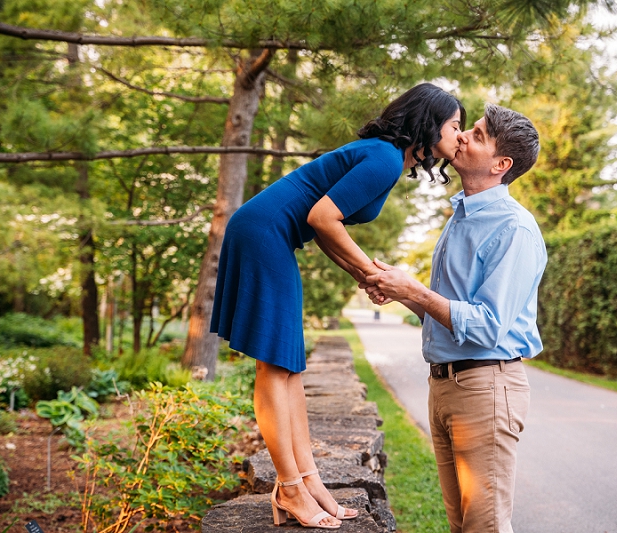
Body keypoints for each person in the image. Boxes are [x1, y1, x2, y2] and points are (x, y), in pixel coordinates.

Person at [210, 83, 466, 529]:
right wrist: (372, 271)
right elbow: (321, 219)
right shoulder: (384, 157)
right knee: (275, 366)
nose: (461, 136)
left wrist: (365, 276)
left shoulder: (386, 157)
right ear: (430, 122)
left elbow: (325, 224)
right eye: (456, 125)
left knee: (290, 366)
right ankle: (289, 488)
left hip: (268, 235)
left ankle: (309, 481)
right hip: (263, 235)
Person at [363, 103, 544, 533]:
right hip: (444, 385)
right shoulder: (462, 216)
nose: (461, 136)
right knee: (460, 525)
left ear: (502, 164)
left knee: (485, 527)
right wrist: (399, 290)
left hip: (486, 387)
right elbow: (446, 308)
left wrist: (416, 290)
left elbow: (486, 325)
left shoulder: (513, 228)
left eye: (477, 135)